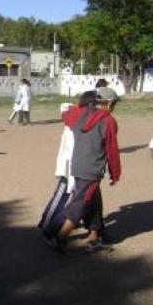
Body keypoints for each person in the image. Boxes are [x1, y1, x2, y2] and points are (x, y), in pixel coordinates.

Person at [45, 90, 121, 252]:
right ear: (109, 103)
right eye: (113, 105)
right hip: (92, 170)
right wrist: (115, 173)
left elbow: (66, 113)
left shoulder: (80, 114)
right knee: (80, 204)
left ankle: (94, 237)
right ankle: (60, 238)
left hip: (78, 165)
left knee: (94, 201)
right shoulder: (108, 121)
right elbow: (112, 150)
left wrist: (79, 106)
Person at [38, 91, 96, 238]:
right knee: (61, 195)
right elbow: (70, 147)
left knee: (75, 197)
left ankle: (66, 222)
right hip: (69, 165)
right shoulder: (77, 119)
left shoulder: (80, 117)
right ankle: (46, 223)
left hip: (78, 165)